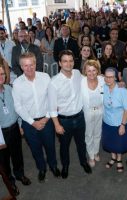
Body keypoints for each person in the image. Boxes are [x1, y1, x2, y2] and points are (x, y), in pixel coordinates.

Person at [12, 52, 60, 182]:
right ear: (21, 66)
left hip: (47, 120)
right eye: (25, 65)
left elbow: (52, 99)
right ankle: (42, 168)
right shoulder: (17, 83)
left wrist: (47, 117)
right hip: (29, 123)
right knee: (35, 149)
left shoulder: (45, 77)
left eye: (31, 64)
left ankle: (53, 166)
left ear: (35, 63)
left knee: (50, 146)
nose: (29, 68)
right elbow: (18, 107)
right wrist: (33, 122)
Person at [48, 50, 92, 179]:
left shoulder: (78, 73)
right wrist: (56, 125)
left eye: (71, 60)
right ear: (60, 63)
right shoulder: (53, 82)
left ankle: (83, 162)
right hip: (64, 121)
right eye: (65, 61)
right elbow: (52, 107)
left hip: (79, 117)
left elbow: (91, 79)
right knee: (64, 146)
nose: (69, 64)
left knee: (81, 143)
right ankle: (65, 166)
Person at [0, 65, 31, 195]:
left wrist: (19, 125)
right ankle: (10, 181)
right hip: (1, 133)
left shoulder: (8, 88)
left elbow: (17, 108)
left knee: (17, 154)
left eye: (2, 74)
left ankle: (19, 174)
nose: (1, 77)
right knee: (4, 160)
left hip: (14, 128)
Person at [102, 67, 127, 172]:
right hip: (107, 121)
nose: (108, 79)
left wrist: (122, 125)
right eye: (106, 77)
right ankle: (113, 157)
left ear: (115, 78)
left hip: (119, 122)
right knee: (110, 141)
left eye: (111, 77)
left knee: (119, 143)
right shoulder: (103, 87)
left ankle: (119, 160)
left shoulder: (123, 90)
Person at [81, 60, 104, 167]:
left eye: (94, 70)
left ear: (97, 71)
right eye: (89, 70)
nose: (91, 73)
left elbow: (113, 83)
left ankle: (96, 152)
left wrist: (121, 83)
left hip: (100, 110)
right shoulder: (81, 81)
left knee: (98, 133)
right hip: (88, 111)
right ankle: (91, 155)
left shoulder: (102, 80)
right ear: (85, 71)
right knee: (89, 134)